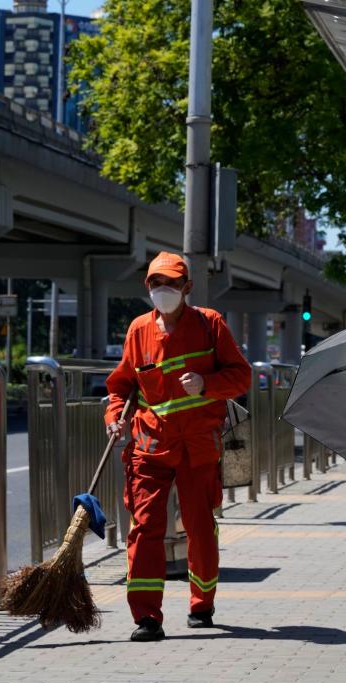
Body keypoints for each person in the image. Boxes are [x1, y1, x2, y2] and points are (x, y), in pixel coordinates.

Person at [105, 251, 251, 642]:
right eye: (156, 284)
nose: (163, 290)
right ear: (147, 288)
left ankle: (202, 604)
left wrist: (207, 385)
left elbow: (241, 377)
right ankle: (147, 618)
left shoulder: (210, 325)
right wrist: (115, 417)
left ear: (187, 288)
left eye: (171, 284)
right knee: (145, 529)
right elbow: (121, 386)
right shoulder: (139, 330)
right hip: (150, 446)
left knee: (200, 529)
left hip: (198, 446)